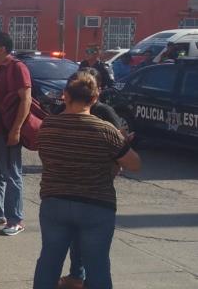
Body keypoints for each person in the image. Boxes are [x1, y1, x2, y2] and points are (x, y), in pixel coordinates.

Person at [33, 72, 141, 289]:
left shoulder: (48, 126)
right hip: (96, 205)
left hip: (55, 201)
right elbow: (135, 164)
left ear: (65, 95)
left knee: (49, 261)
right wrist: (117, 155)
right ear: (95, 98)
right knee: (98, 265)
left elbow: (46, 157)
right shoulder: (106, 131)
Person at [54, 67, 126, 289]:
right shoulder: (62, 113)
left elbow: (122, 148)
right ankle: (77, 275)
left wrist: (110, 171)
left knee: (94, 251)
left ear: (97, 91)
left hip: (95, 190)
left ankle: (82, 277)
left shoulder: (104, 113)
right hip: (69, 188)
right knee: (76, 241)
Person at [0, 32, 31, 236]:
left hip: (7, 131)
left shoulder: (16, 68)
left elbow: (25, 99)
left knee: (12, 175)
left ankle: (15, 219)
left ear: (2, 48)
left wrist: (17, 129)